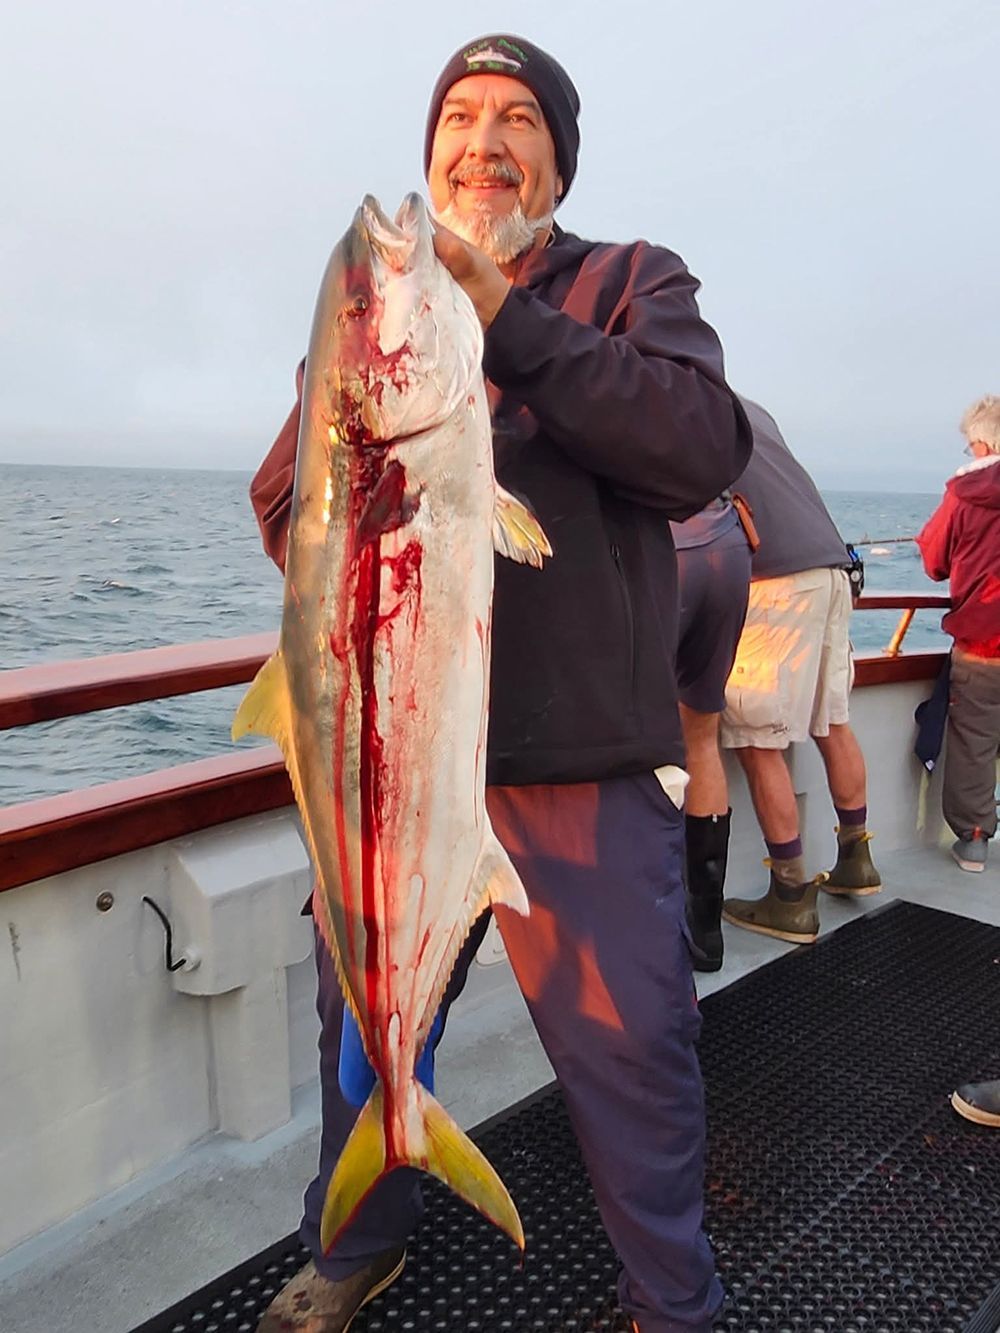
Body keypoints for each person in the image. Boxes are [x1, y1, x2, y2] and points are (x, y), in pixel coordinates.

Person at [250, 33, 752, 1333]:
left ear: (558, 158)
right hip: (390, 770)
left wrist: (510, 326)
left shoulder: (629, 282)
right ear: (431, 150)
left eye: (518, 116)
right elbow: (280, 493)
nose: (483, 138)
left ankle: (673, 1300)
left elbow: (698, 446)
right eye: (459, 115)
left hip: (578, 772)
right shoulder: (380, 315)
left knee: (635, 1057)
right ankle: (357, 1236)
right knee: (363, 1039)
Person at [719, 397, 881, 946]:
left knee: (758, 740)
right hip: (833, 570)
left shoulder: (672, 401)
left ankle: (790, 897)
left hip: (775, 580)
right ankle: (857, 862)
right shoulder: (752, 408)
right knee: (832, 719)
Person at [915, 394, 1000, 873]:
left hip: (986, 639)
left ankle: (972, 840)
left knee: (975, 736)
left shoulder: (965, 494)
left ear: (982, 443)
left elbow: (933, 561)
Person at [670, 499, 753, 971]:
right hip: (729, 547)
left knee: (632, 737)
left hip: (667, 550)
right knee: (701, 737)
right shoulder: (723, 422)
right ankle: (706, 934)